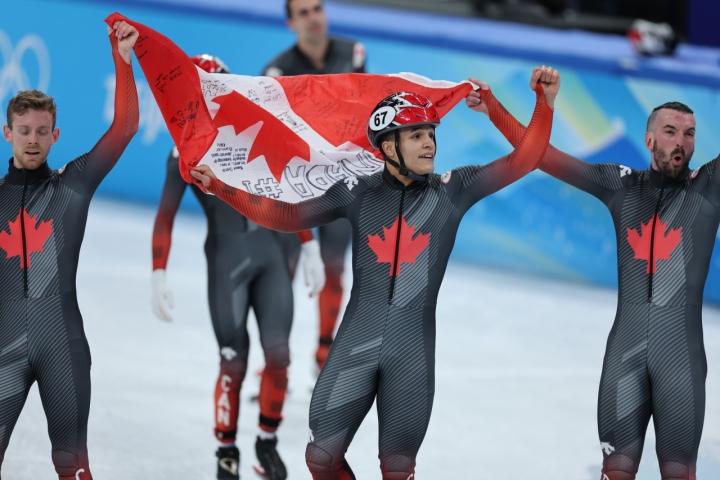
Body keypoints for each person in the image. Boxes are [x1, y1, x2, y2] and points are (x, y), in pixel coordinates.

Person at [191, 66, 558, 479]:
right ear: (387, 146)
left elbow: (528, 157)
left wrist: (535, 104)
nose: (429, 143)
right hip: (355, 343)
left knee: (397, 469)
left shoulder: (454, 190)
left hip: (411, 352)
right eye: (417, 135)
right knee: (320, 456)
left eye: (432, 134)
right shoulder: (357, 192)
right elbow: (287, 215)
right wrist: (223, 188)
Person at [470, 80, 711, 480]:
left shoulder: (708, 189)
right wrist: (505, 107)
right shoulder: (621, 184)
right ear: (649, 139)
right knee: (615, 469)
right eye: (670, 132)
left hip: (681, 360)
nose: (681, 142)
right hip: (625, 355)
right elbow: (540, 156)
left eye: (689, 134)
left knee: (679, 470)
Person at [151, 54, 325, 480]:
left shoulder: (258, 135)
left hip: (269, 255)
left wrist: (309, 244)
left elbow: (289, 192)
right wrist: (158, 270)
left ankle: (267, 442)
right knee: (233, 360)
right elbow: (165, 217)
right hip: (228, 261)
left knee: (279, 355)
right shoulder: (183, 154)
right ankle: (225, 451)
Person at [0, 20, 139, 480]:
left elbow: (124, 128)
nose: (33, 140)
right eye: (24, 130)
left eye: (42, 131)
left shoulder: (72, 187)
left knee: (71, 463)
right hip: (4, 346)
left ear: (55, 135)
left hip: (63, 344)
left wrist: (122, 61)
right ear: (8, 133)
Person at [262, 0, 367, 372]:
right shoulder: (278, 71)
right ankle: (276, 356)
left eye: (317, 8)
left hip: (339, 183)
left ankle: (324, 354)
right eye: (303, 13)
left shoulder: (353, 53)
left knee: (336, 267)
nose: (313, 17)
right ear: (291, 23)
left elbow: (361, 114)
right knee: (285, 269)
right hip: (296, 187)